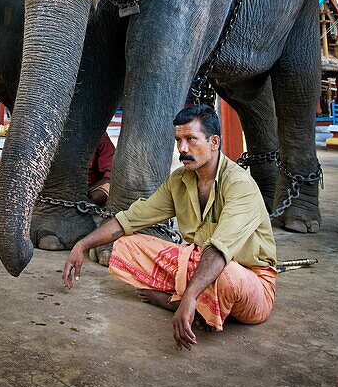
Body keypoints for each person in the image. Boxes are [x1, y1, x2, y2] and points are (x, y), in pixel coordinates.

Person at [62, 104, 277, 350]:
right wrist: (82, 244)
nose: (183, 148)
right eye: (178, 140)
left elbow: (219, 251)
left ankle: (179, 302)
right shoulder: (180, 180)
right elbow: (131, 219)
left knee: (228, 276)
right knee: (127, 245)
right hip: (198, 266)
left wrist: (189, 297)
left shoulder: (239, 184)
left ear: (214, 142)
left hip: (248, 281)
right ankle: (197, 306)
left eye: (191, 139)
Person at [87, 131, 115, 206]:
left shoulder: (98, 135)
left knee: (102, 193)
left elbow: (111, 170)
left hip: (90, 189)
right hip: (59, 187)